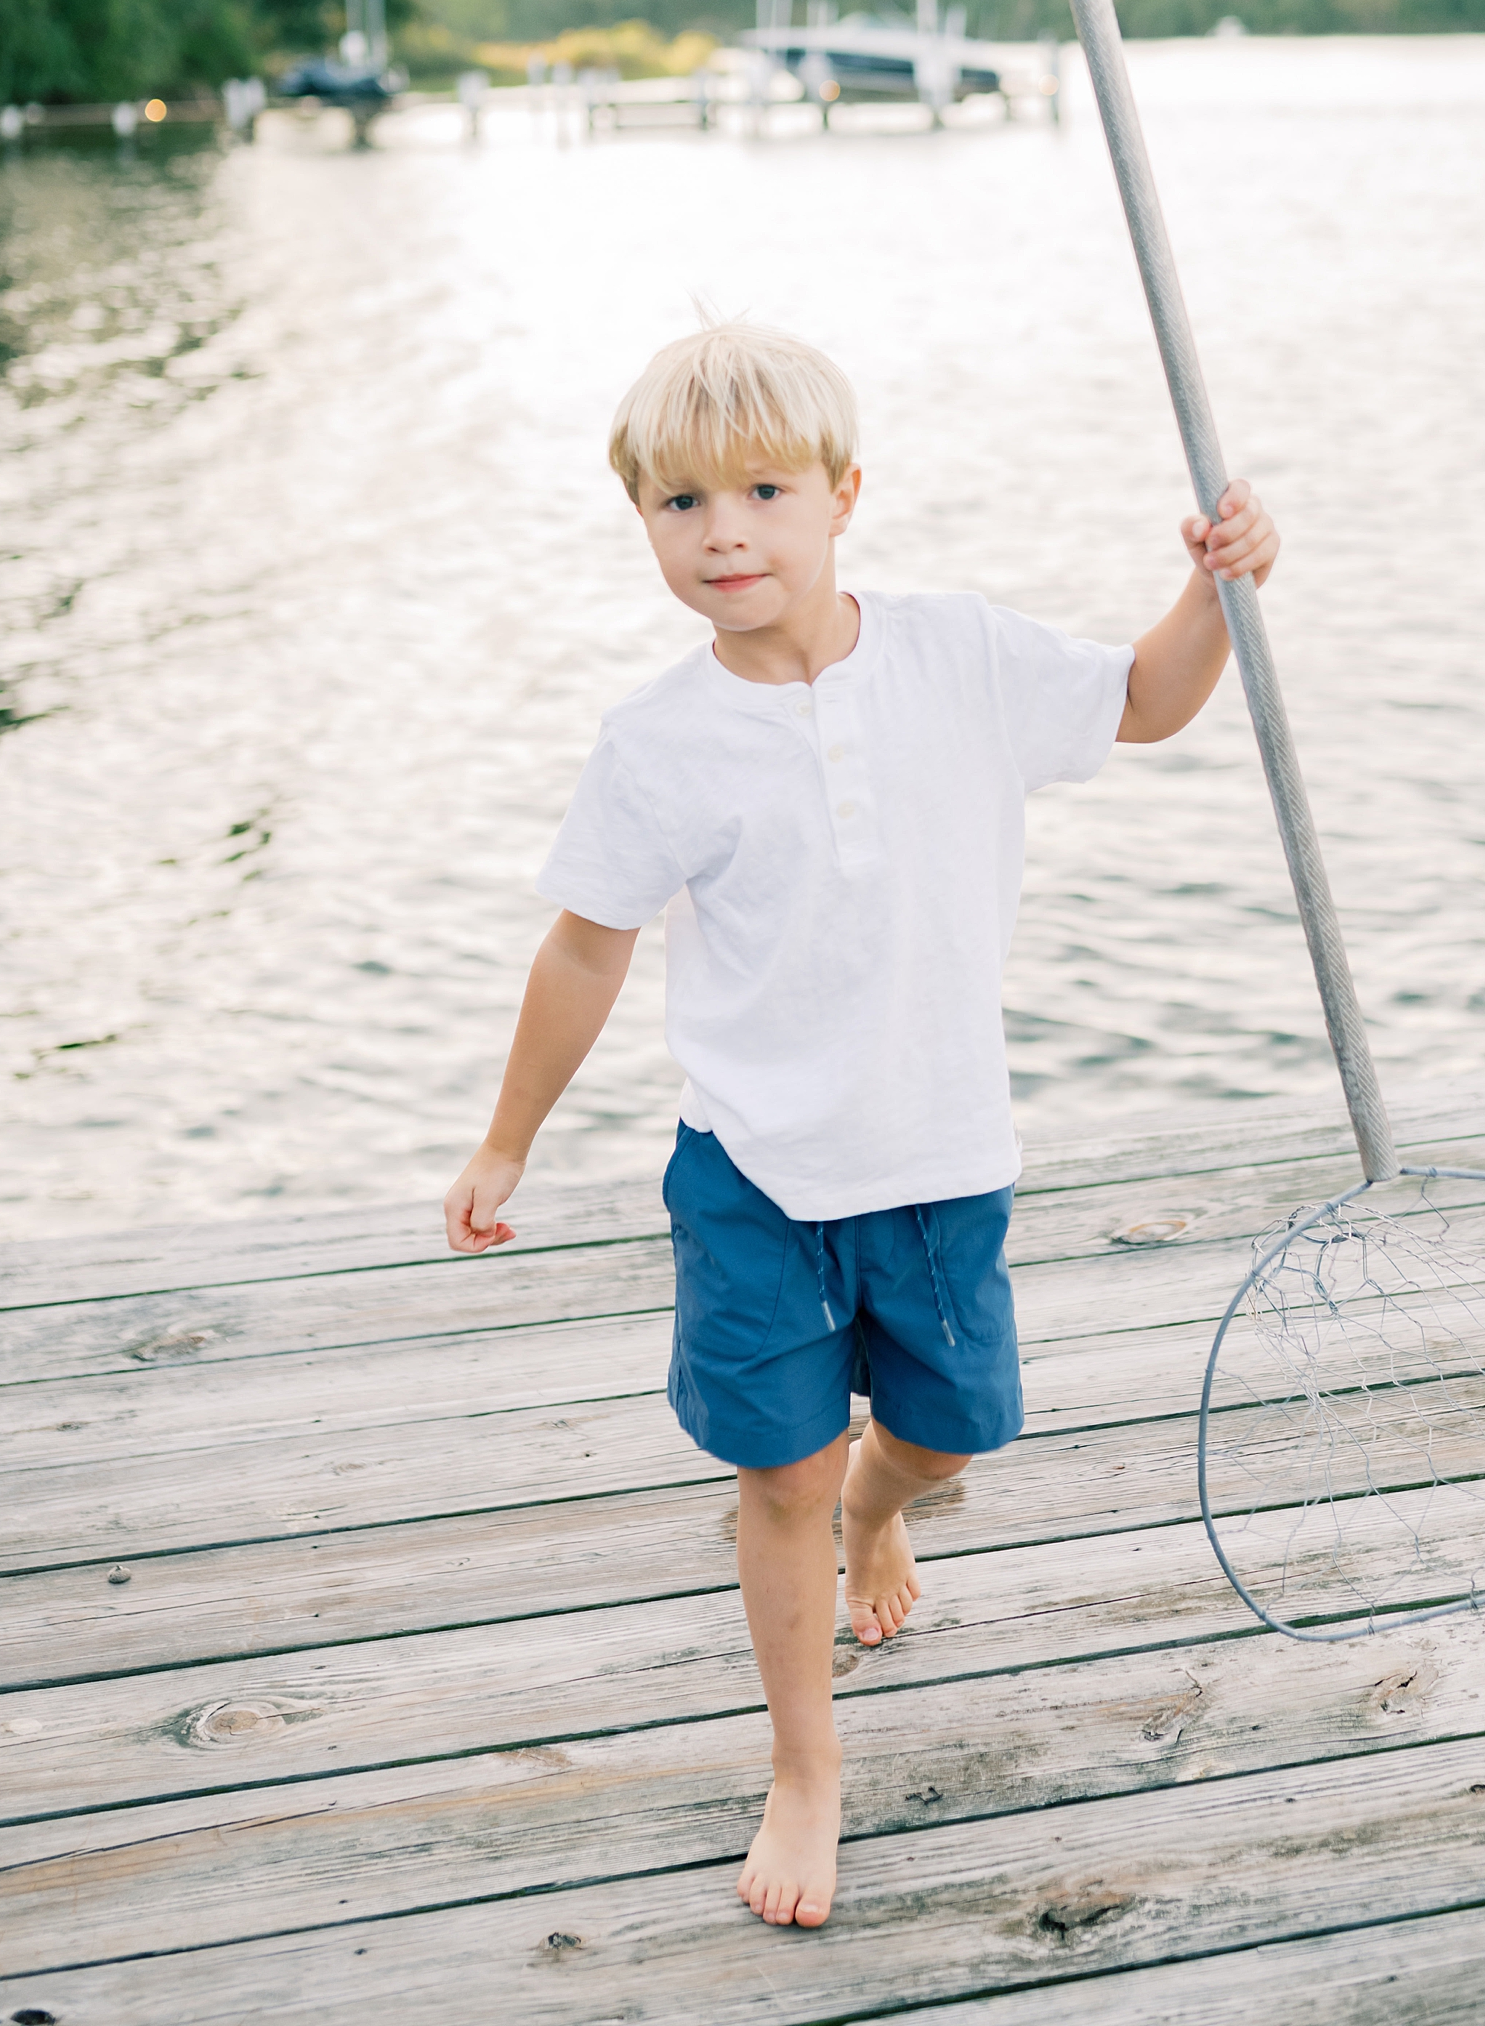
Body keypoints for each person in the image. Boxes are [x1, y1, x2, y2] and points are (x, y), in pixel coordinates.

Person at [442, 320, 1279, 1930]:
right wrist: (508, 1142)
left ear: (843, 496)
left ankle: (881, 1510)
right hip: (753, 1168)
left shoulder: (956, 658)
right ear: (645, 525)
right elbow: (586, 945)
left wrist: (1217, 588)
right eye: (680, 504)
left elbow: (1148, 702)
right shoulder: (657, 741)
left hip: (941, 1153)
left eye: (763, 490)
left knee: (956, 1429)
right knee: (776, 1474)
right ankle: (805, 1764)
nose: (725, 532)